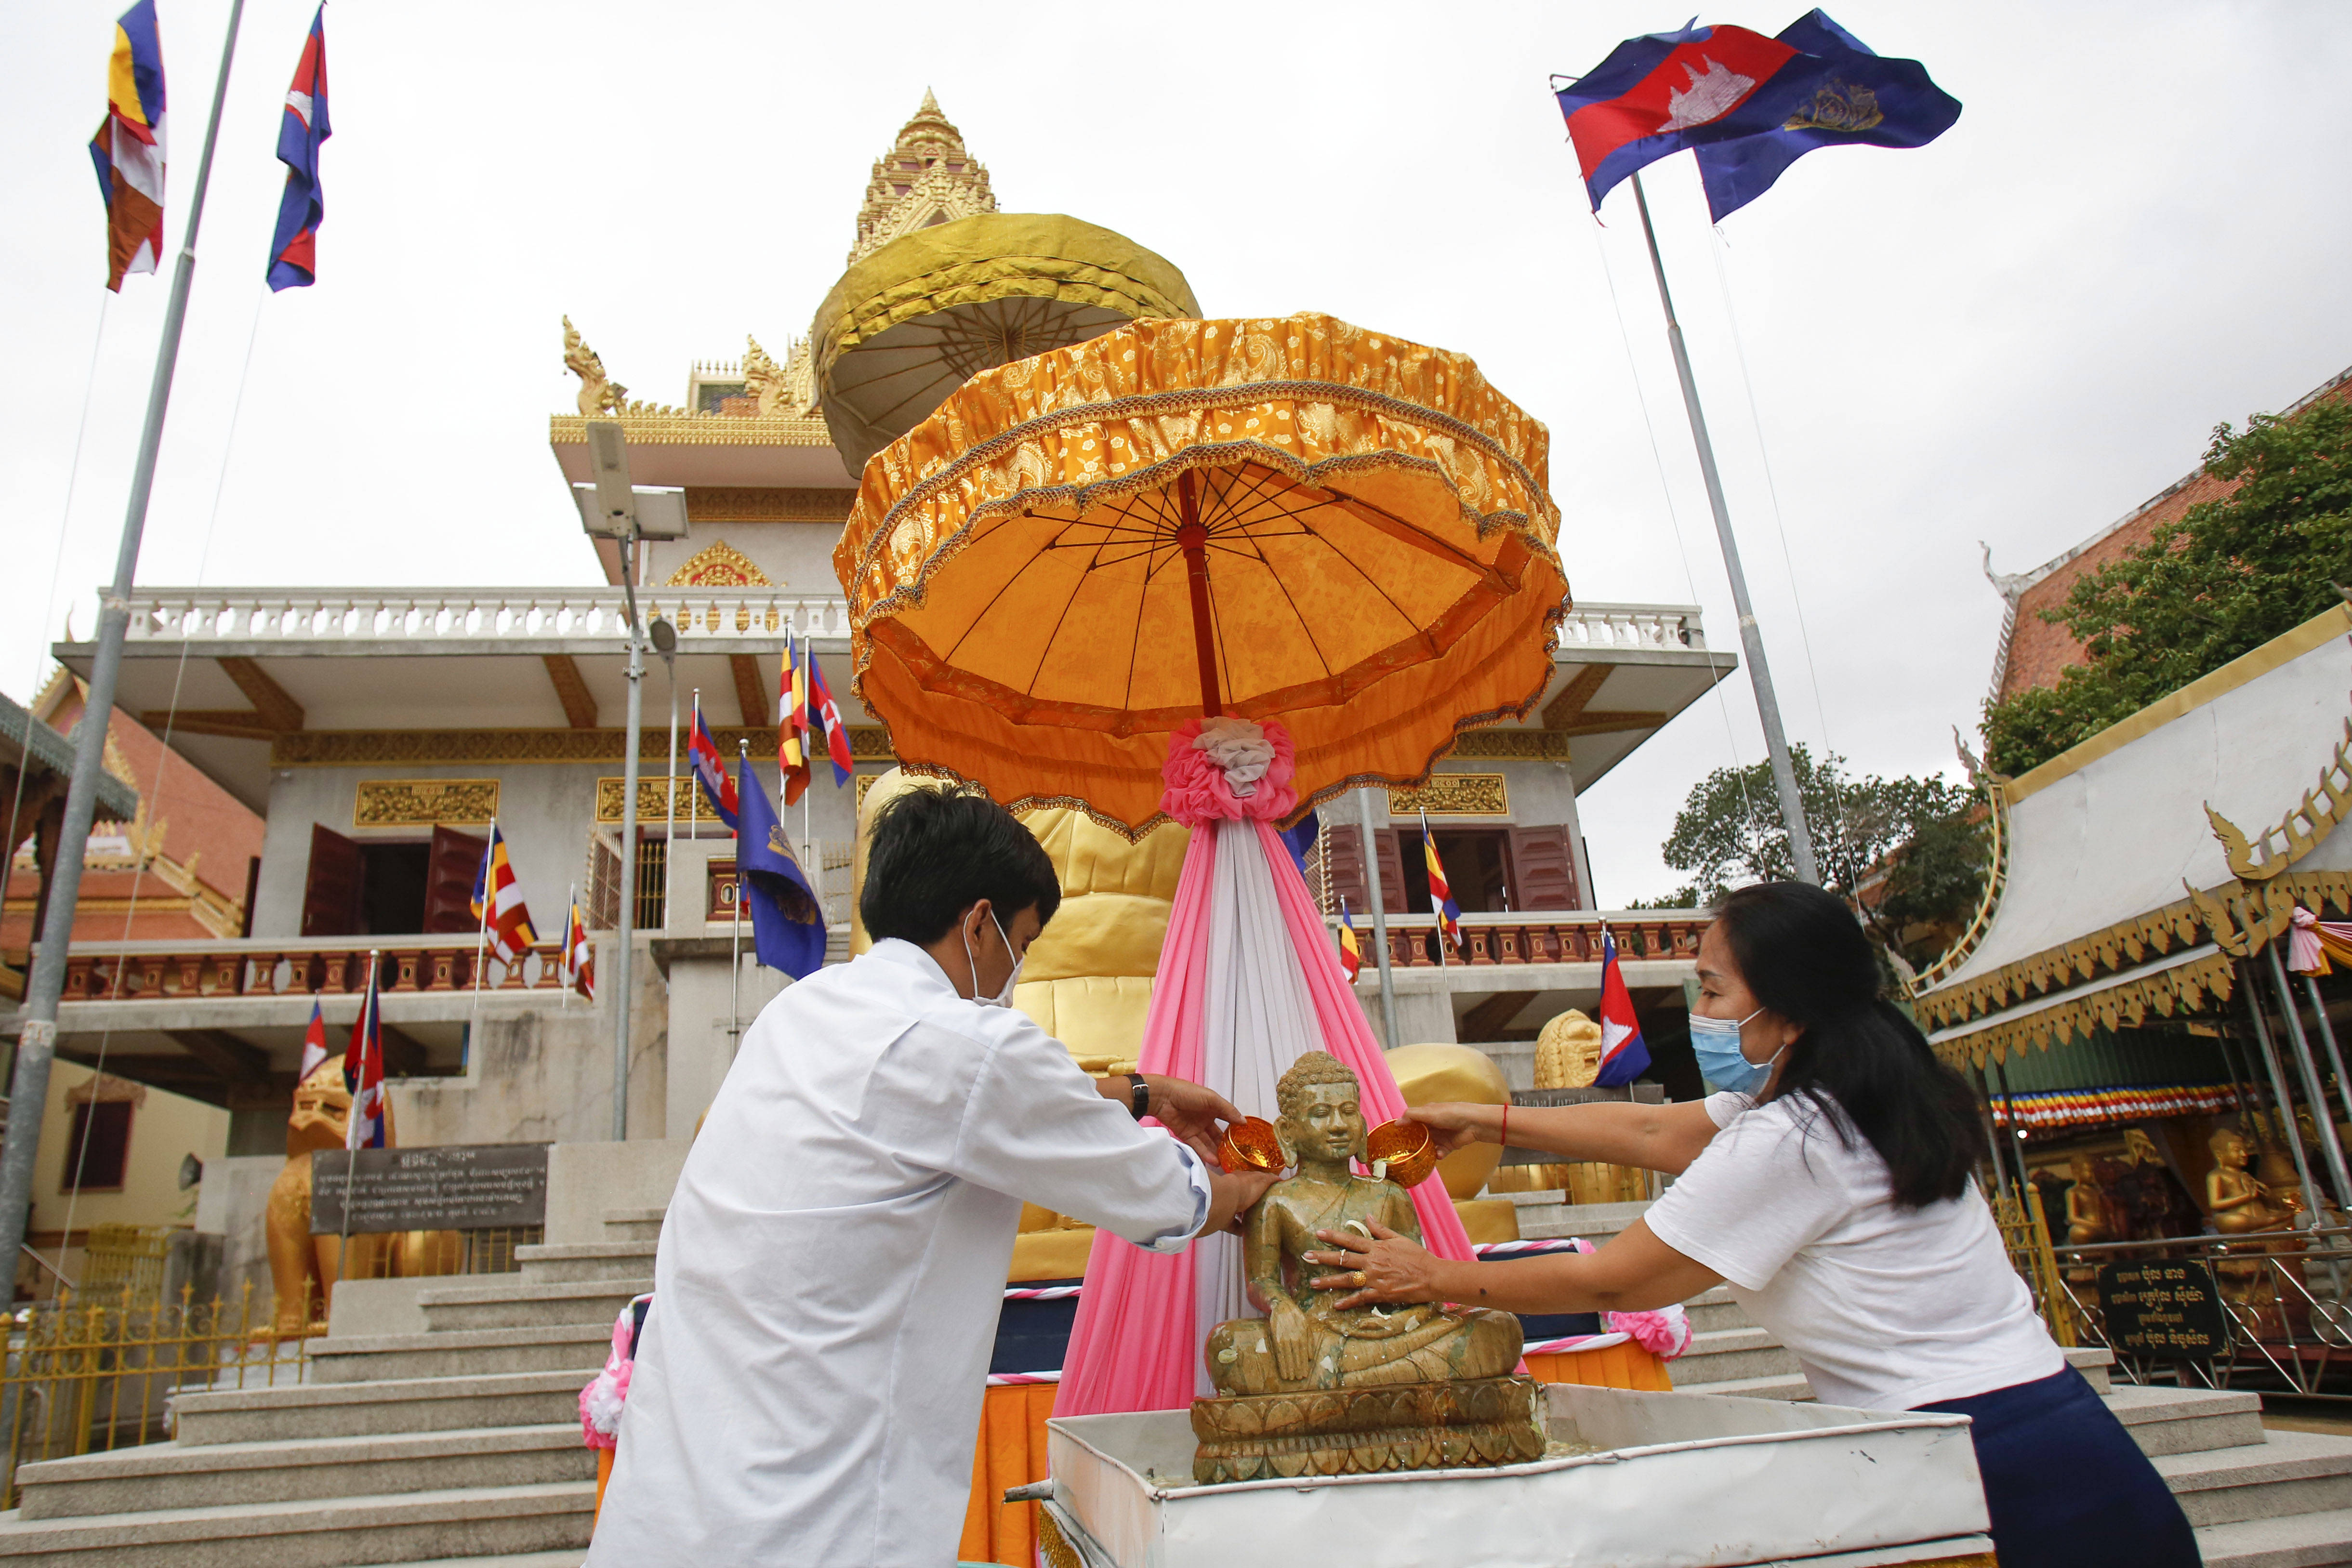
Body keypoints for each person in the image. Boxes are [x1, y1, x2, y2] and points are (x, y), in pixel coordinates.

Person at [1308, 882, 2196, 1568]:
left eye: (1711, 987)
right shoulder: (1853, 1095)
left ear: (1787, 1002)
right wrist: (1493, 1123)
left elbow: (1616, 1280)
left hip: (1984, 1455)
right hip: (2049, 1423)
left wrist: (1428, 1277)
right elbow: (1661, 1129)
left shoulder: (1796, 1138)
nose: (1700, 1007)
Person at [588, 788, 1278, 1568]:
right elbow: (1175, 1199)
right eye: (1024, 941)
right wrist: (1274, 1180)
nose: (1019, 969)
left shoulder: (802, 1012)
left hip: (674, 1509)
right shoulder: (968, 1043)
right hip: (813, 1524)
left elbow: (944, 1105)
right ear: (978, 923)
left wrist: (1139, 1093)